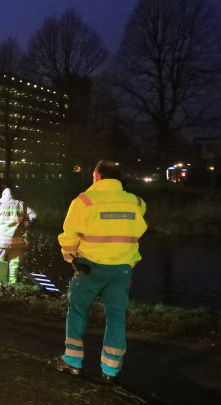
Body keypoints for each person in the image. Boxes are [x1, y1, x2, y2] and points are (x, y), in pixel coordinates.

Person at [49, 161, 148, 385]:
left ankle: (72, 362)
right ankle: (110, 370)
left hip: (90, 267)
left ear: (97, 176)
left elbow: (69, 236)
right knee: (116, 317)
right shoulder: (137, 203)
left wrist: (71, 259)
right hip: (122, 269)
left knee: (78, 311)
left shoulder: (84, 201)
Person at [0, 187, 37, 284]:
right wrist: (23, 226)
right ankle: (13, 286)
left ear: (3, 195)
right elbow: (33, 217)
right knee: (14, 266)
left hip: (0, 242)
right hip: (17, 243)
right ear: (12, 195)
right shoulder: (21, 204)